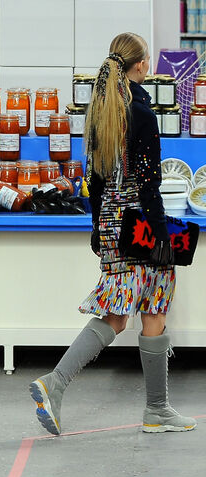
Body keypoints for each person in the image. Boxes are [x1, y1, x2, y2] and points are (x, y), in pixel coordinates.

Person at [29, 32, 195, 436]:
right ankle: (60, 384)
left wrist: (96, 227)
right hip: (138, 220)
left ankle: (153, 408)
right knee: (138, 307)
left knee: (136, 309)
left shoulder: (101, 109)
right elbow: (148, 180)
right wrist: (159, 233)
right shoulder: (141, 110)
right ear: (141, 65)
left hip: (109, 220)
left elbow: (96, 180)